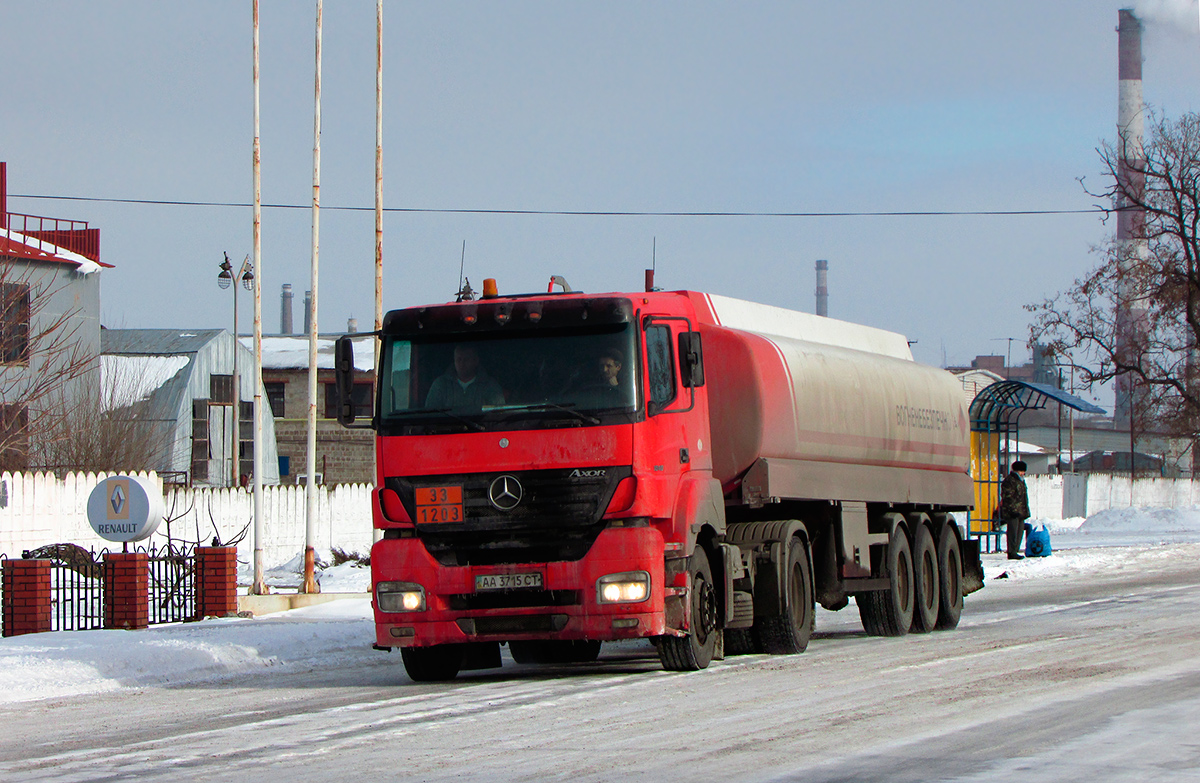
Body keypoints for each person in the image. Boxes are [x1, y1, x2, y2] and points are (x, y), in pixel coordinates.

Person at [424, 344, 504, 410]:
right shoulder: (440, 384)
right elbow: (430, 414)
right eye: (459, 360)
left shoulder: (490, 385)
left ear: (476, 361)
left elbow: (498, 415)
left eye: (466, 359)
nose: (462, 364)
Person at [1000, 460, 1031, 560]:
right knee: (1013, 532)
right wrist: (1013, 509)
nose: (1023, 473)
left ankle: (1015, 550)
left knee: (1019, 532)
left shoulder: (1020, 481)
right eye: (1022, 471)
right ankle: (1012, 552)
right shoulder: (1010, 481)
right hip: (1013, 511)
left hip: (1020, 511)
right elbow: (1008, 497)